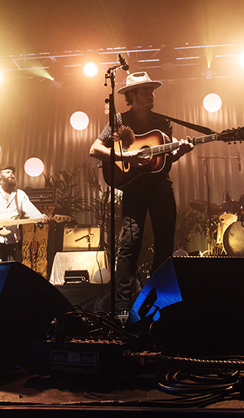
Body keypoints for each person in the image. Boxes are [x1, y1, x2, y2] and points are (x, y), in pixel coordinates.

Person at [89, 71, 194, 318]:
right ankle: (122, 307)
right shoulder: (118, 120)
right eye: (145, 92)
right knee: (130, 243)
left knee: (165, 243)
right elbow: (95, 149)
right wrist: (127, 156)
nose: (151, 96)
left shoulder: (163, 122)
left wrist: (183, 151)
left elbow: (167, 157)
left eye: (152, 92)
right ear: (132, 96)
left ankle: (160, 302)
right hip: (133, 187)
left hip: (160, 186)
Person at [0, 165, 47, 264]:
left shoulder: (20, 194)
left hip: (12, 240)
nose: (11, 174)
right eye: (7, 172)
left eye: (12, 173)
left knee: (10, 273)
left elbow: (32, 212)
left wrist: (41, 218)